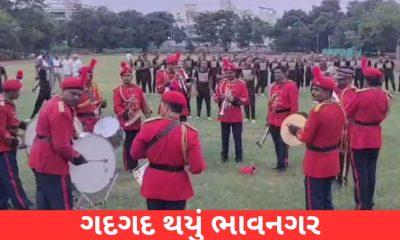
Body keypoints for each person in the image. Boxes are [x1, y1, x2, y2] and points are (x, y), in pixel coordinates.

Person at [131, 91, 206, 210]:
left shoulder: (149, 126)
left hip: (153, 184)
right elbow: (197, 168)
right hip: (177, 187)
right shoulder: (189, 133)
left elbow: (135, 154)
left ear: (165, 107)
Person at [288, 67, 346, 210]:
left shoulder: (317, 111)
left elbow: (306, 137)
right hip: (332, 158)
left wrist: (296, 131)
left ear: (327, 92)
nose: (313, 92)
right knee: (327, 198)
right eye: (313, 89)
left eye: (317, 90)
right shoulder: (339, 106)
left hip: (317, 161)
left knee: (314, 202)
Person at [28, 77, 88, 210]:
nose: (76, 97)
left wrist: (74, 134)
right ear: (63, 90)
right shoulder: (61, 111)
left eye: (79, 94)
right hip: (51, 162)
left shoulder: (55, 101)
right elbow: (61, 146)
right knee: (62, 203)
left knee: (44, 200)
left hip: (38, 157)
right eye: (73, 93)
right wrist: (76, 157)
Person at [346, 57, 391, 210]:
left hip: (360, 136)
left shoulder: (361, 95)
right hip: (375, 135)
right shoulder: (384, 95)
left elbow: (348, 112)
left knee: (360, 173)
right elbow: (385, 113)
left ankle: (362, 205)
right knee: (371, 171)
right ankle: (369, 201)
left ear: (366, 80)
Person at [0, 79, 33, 210]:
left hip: (5, 146)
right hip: (4, 148)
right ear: (12, 92)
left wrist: (21, 124)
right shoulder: (2, 107)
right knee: (11, 177)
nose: (20, 93)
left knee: (3, 178)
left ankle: (2, 203)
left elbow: (10, 120)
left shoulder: (7, 102)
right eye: (18, 91)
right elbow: (1, 129)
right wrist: (13, 141)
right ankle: (22, 204)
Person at [113, 62, 151, 171]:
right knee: (128, 146)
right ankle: (130, 166)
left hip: (137, 122)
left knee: (137, 144)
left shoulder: (138, 89)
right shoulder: (117, 90)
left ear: (132, 76)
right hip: (126, 124)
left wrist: (147, 111)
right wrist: (125, 114)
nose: (126, 78)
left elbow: (142, 103)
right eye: (124, 76)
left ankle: (136, 164)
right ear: (121, 77)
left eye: (128, 75)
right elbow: (117, 107)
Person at [214, 58, 249, 163]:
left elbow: (246, 100)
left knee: (237, 138)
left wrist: (234, 99)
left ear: (234, 72)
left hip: (235, 115)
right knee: (224, 137)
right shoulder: (221, 83)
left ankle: (239, 157)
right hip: (223, 114)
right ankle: (224, 156)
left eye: (230, 73)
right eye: (226, 73)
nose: (228, 75)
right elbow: (217, 95)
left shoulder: (241, 84)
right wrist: (217, 98)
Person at [267, 66, 299, 172]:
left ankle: (282, 165)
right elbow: (270, 104)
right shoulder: (273, 86)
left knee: (283, 143)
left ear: (285, 73)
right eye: (275, 73)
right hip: (273, 118)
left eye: (279, 72)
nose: (276, 75)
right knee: (277, 143)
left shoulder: (291, 86)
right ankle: (280, 162)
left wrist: (292, 121)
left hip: (285, 119)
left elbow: (294, 106)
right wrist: (268, 119)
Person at [333, 68, 357, 186]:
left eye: (340, 80)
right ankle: (337, 176)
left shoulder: (352, 91)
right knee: (337, 153)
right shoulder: (341, 89)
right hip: (339, 126)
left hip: (347, 128)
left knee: (344, 153)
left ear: (348, 79)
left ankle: (342, 179)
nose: (338, 82)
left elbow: (346, 110)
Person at [156, 52, 191, 122]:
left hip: (181, 106)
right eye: (174, 65)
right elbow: (159, 89)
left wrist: (188, 86)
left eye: (176, 64)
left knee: (182, 127)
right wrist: (172, 80)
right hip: (168, 106)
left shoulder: (180, 72)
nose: (176, 66)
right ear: (168, 65)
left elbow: (186, 86)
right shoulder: (161, 73)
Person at [76, 59, 106, 132]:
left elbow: (98, 101)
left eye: (91, 75)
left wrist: (102, 103)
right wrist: (88, 102)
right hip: (80, 120)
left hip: (94, 119)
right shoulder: (76, 88)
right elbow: (75, 106)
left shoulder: (94, 86)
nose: (89, 78)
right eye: (87, 75)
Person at [241, 58, 257, 123]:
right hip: (245, 89)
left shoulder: (253, 69)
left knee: (252, 104)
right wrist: (243, 80)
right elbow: (241, 77)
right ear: (245, 62)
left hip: (251, 89)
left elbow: (252, 77)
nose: (249, 63)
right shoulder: (243, 70)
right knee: (245, 103)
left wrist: (246, 80)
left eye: (250, 61)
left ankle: (253, 118)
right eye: (247, 61)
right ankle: (247, 117)